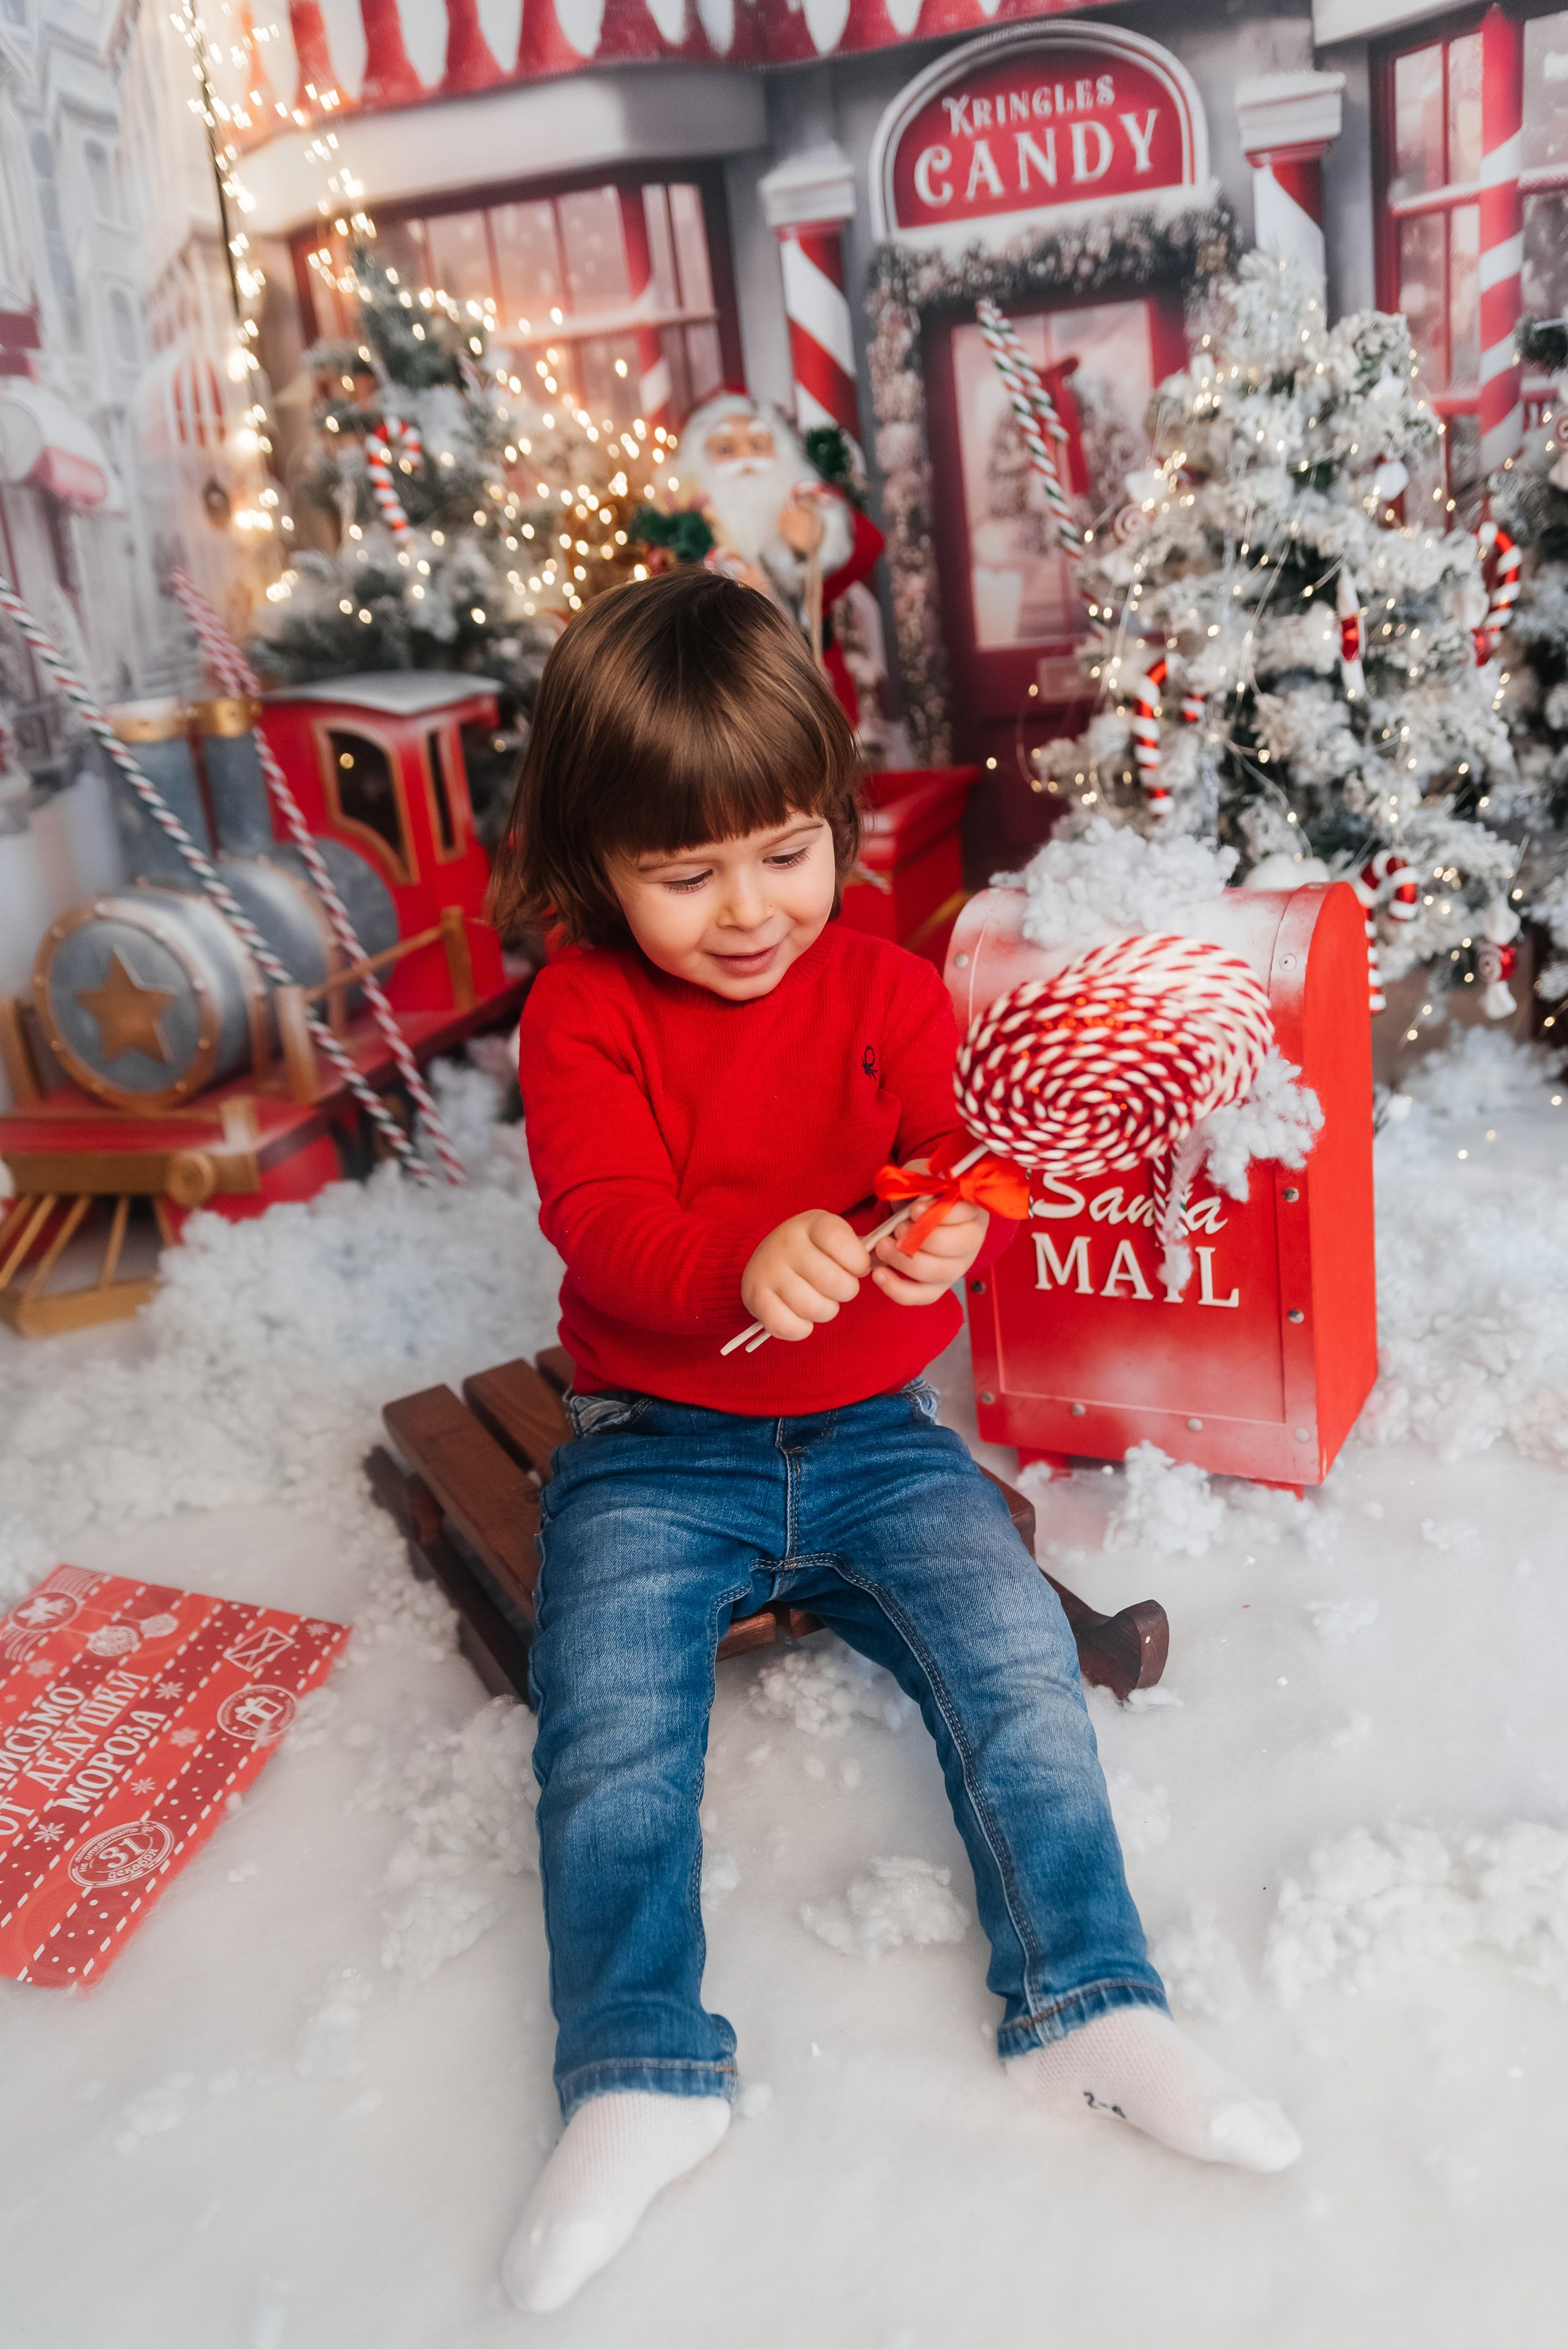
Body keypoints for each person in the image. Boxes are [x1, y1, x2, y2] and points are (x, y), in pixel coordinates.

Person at [486, 570, 1300, 2316]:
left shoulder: (886, 989)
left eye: (781, 849)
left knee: (1015, 1660)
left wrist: (947, 1233)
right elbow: (605, 1223)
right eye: (682, 871)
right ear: (591, 863)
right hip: (658, 1442)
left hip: (870, 1432)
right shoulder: (585, 1016)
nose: (744, 909)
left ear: (833, 823)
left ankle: (1091, 2008)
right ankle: (637, 2069)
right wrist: (738, 1257)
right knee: (613, 1722)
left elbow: (949, 1163)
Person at [681, 388, 883, 728]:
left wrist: (814, 542)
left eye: (758, 445)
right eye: (727, 449)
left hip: (812, 675)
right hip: (719, 694)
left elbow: (868, 547)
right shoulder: (683, 526)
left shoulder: (810, 502)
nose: (745, 460)